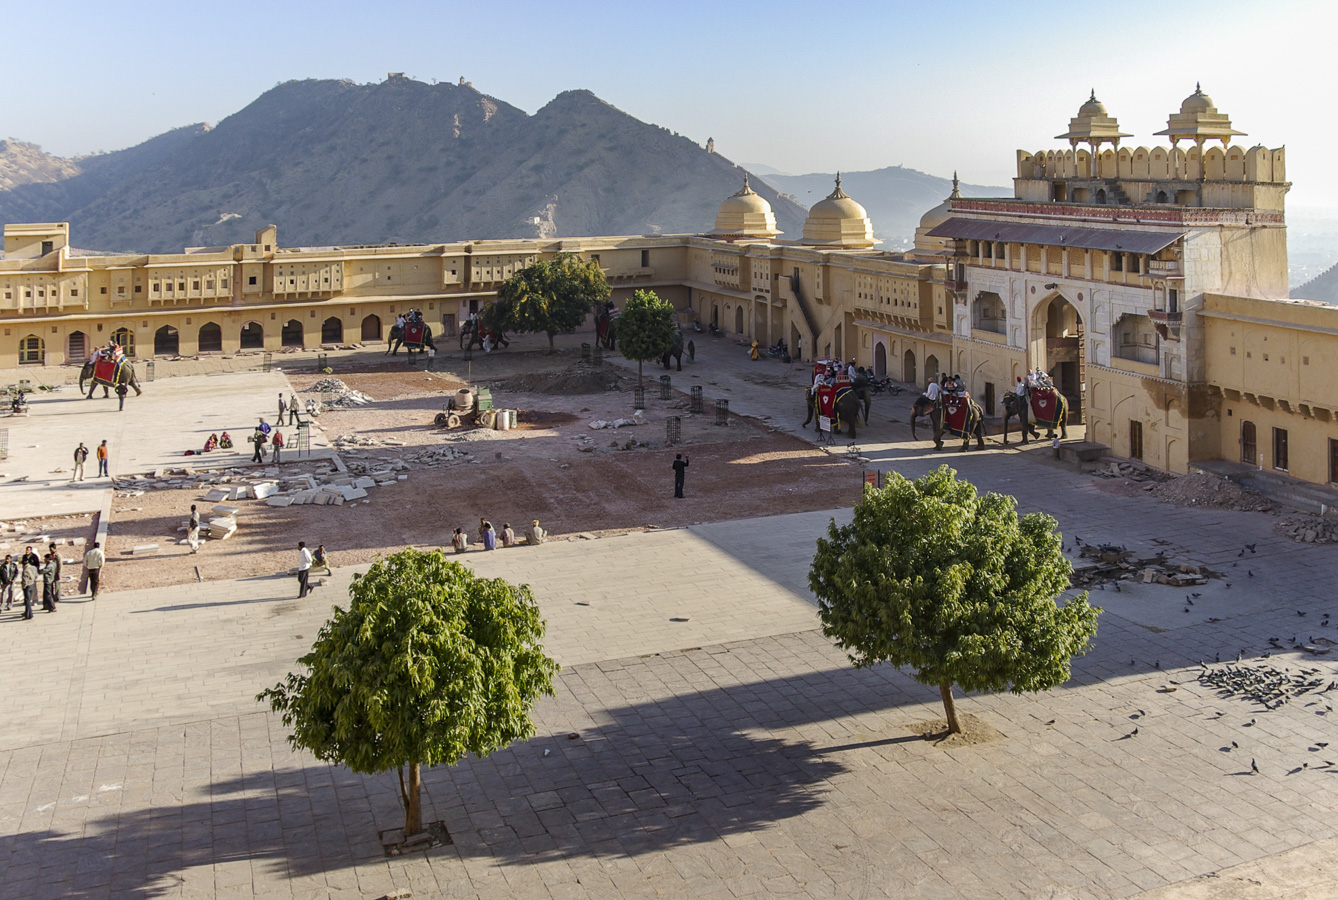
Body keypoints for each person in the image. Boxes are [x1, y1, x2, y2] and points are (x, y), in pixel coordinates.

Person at [20, 555, 38, 620]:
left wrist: (23, 586)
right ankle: (29, 613)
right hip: (32, 584)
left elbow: (24, 580)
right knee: (29, 600)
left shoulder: (25, 570)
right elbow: (36, 575)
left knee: (27, 601)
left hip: (27, 586)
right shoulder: (34, 567)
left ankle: (28, 615)